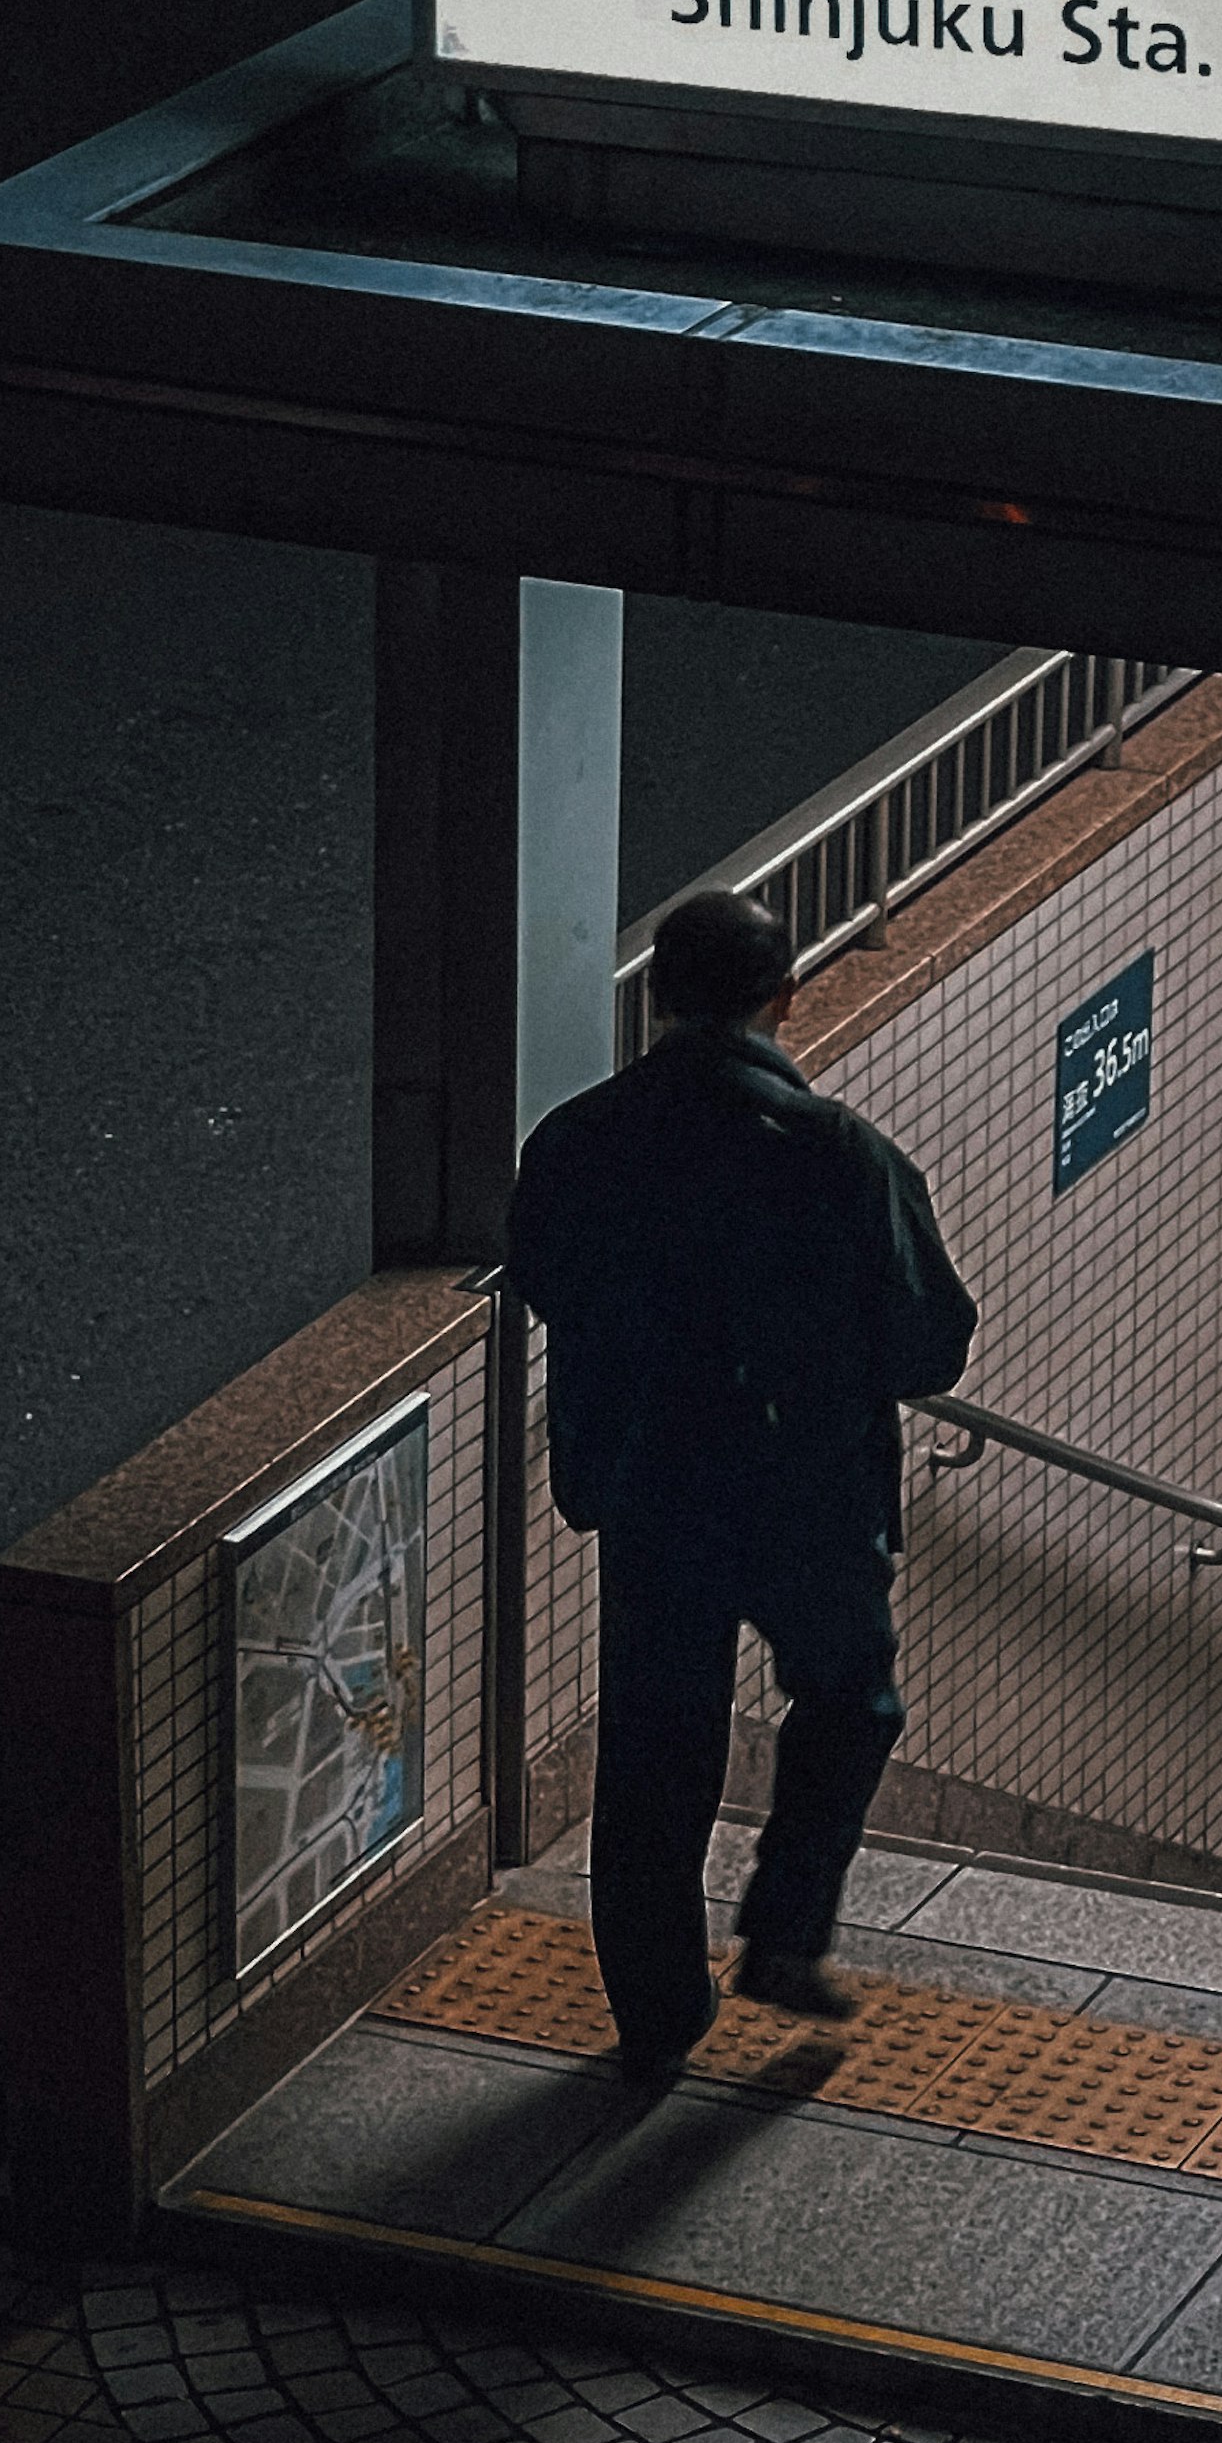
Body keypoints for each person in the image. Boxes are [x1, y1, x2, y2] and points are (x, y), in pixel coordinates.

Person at [504, 885, 977, 2081]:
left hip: (650, 1482)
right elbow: (930, 1342)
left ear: (658, 995)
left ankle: (657, 2008)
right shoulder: (838, 1154)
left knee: (654, 1741)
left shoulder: (574, 1137)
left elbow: (547, 1276)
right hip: (806, 1489)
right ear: (788, 995)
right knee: (852, 1701)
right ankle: (783, 1930)